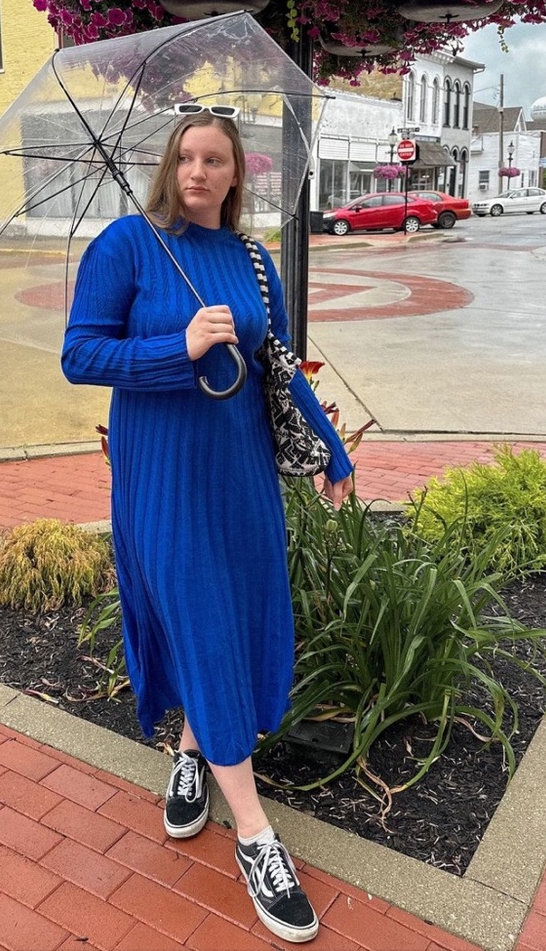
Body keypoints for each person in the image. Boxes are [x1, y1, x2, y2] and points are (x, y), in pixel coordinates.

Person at [61, 105, 354, 945]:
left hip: (241, 479)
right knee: (199, 620)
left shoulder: (253, 260)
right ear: (168, 166)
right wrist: (177, 347)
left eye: (215, 159)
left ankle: (193, 752)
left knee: (231, 618)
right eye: (186, 157)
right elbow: (81, 354)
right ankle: (256, 834)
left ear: (236, 174)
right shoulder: (128, 244)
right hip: (162, 480)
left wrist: (333, 450)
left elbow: (279, 367)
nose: (198, 172)